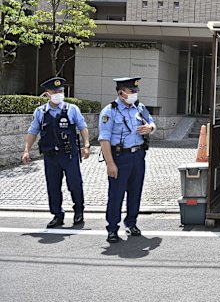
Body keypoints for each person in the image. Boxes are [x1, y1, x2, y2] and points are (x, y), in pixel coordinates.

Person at [22, 77, 90, 228]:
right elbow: (32, 132)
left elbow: (83, 127)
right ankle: (57, 215)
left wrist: (86, 145)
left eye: (61, 91)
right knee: (53, 186)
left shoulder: (72, 109)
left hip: (69, 154)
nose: (58, 93)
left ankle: (79, 211)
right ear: (47, 94)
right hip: (50, 156)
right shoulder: (40, 112)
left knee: (75, 184)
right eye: (55, 91)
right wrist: (26, 150)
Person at [98, 77, 156, 243]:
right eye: (132, 91)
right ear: (121, 93)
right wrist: (110, 163)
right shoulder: (109, 112)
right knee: (116, 194)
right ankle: (112, 228)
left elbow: (152, 123)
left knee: (135, 192)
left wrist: (149, 128)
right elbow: (104, 139)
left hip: (138, 156)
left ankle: (131, 223)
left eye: (136, 91)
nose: (135, 94)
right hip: (119, 157)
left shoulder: (140, 107)